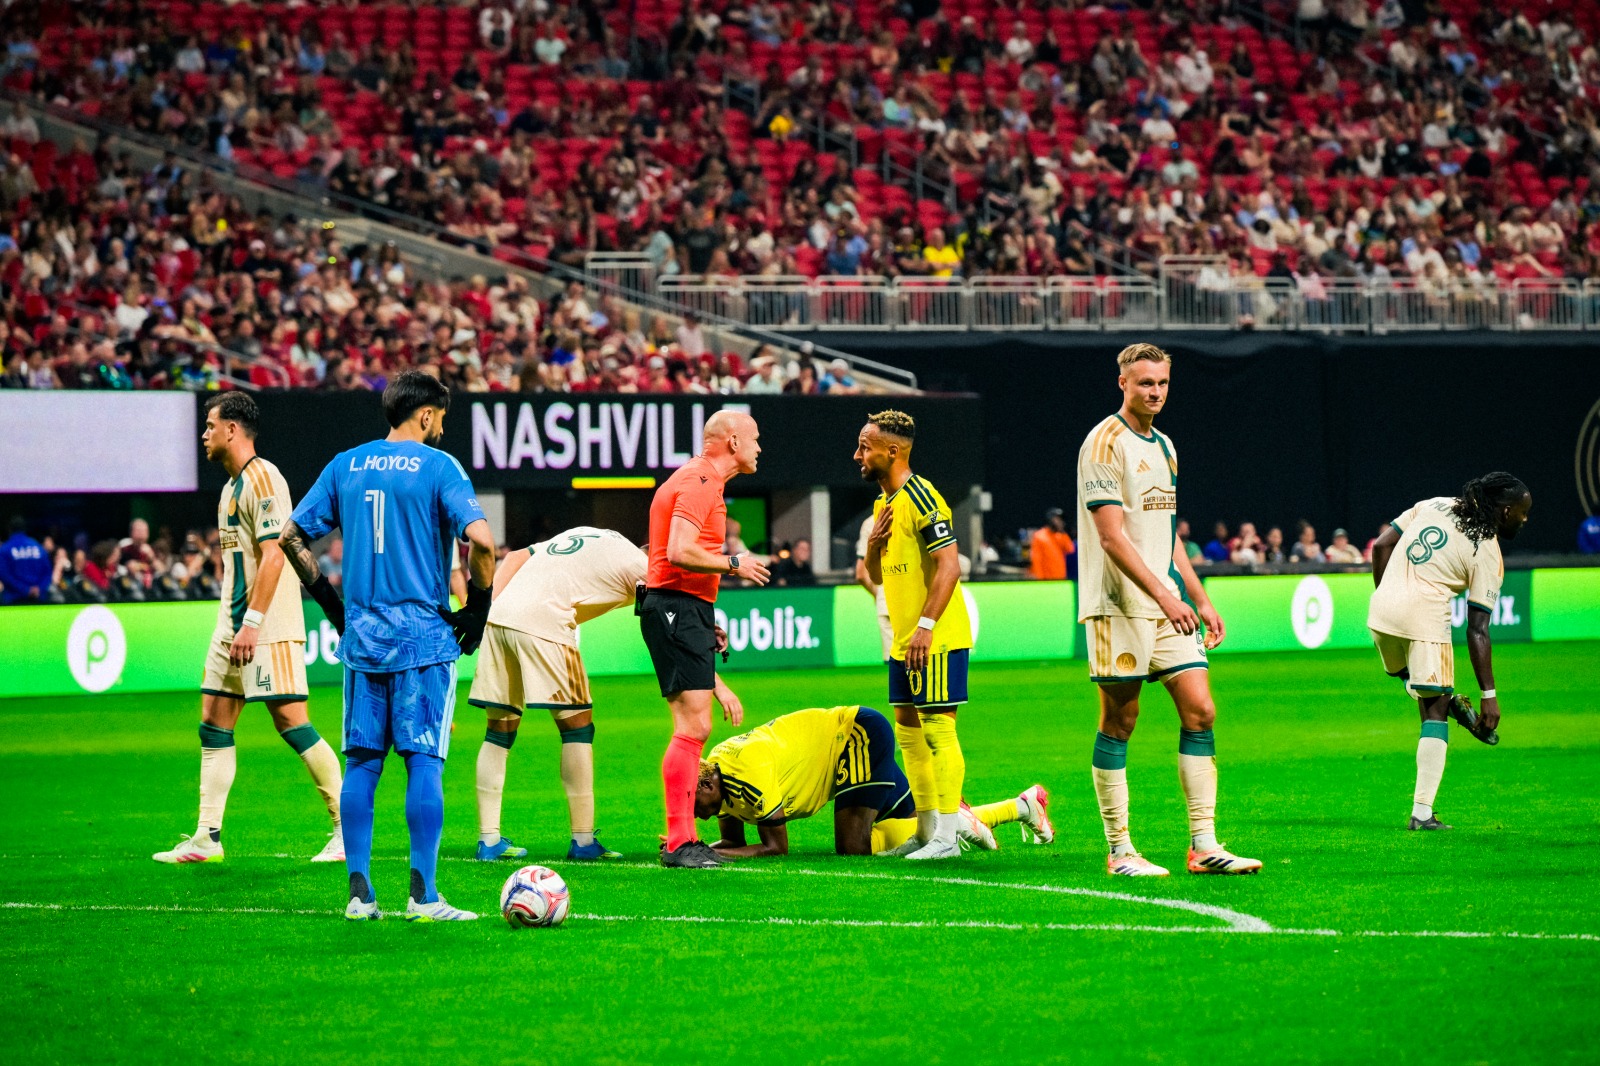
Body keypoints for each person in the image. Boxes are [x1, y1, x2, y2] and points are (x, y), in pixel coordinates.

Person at [281, 371, 497, 921]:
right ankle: (423, 897)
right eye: (441, 417)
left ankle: (360, 896)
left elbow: (290, 537)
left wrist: (333, 609)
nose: (442, 428)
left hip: (363, 638)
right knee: (423, 760)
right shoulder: (438, 467)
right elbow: (482, 540)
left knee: (362, 764)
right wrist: (478, 605)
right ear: (425, 414)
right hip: (423, 638)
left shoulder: (345, 463)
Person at [1076, 343, 1260, 877]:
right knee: (1121, 719)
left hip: (1168, 602)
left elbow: (1168, 533)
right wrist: (1165, 595)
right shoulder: (1104, 442)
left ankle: (1204, 845)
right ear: (1123, 384)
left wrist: (1198, 598)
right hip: (1119, 604)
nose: (1154, 392)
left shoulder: (1166, 446)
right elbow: (1111, 537)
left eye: (1161, 383)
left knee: (1201, 710)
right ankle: (1120, 852)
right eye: (1144, 384)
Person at [152, 393, 344, 866]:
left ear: (233, 430)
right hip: (231, 624)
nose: (204, 434)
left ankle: (346, 829)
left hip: (267, 626)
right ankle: (206, 838)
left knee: (291, 721)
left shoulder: (265, 478)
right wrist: (235, 624)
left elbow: (276, 553)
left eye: (210, 425)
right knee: (214, 722)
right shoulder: (229, 489)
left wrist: (254, 623)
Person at [467, 527, 652, 861]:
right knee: (578, 727)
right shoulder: (644, 568)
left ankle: (489, 840)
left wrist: (491, 609)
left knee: (499, 731)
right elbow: (663, 617)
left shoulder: (593, 534)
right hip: (547, 620)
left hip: (500, 618)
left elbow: (514, 556)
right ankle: (583, 842)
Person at [640, 410, 770, 868]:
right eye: (755, 439)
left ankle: (685, 837)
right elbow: (678, 549)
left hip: (679, 605)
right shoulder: (700, 482)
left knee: (693, 726)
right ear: (733, 441)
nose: (759, 448)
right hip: (675, 604)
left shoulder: (695, 480)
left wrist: (699, 613)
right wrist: (734, 563)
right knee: (692, 727)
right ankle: (679, 842)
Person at [1367, 474, 1530, 829]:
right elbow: (1478, 629)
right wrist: (1490, 695)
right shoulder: (1487, 549)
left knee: (1413, 680)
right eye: (1521, 513)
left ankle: (1440, 691)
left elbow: (1381, 546)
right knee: (1434, 711)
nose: (1524, 518)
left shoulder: (1435, 503)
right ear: (1504, 512)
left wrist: (1387, 595)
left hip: (1379, 612)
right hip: (1424, 618)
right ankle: (1422, 814)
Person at [697, 705, 1055, 856]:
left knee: (854, 848)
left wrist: (715, 859)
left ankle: (957, 821)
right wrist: (696, 851)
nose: (696, 816)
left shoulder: (746, 771)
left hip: (855, 738)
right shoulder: (717, 773)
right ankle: (1022, 806)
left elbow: (776, 849)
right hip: (843, 752)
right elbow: (731, 841)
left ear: (707, 785)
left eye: (692, 805)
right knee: (919, 823)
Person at [856, 409, 974, 861]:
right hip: (904, 639)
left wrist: (926, 626)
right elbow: (876, 576)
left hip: (936, 636)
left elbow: (950, 564)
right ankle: (926, 832)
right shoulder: (883, 506)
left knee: (939, 732)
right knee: (908, 735)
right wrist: (873, 544)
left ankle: (947, 837)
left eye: (865, 446)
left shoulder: (923, 496)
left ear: (892, 450)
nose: (858, 454)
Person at [855, 514, 894, 663]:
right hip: (915, 601)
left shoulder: (870, 522)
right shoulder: (916, 508)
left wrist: (878, 594)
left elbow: (861, 574)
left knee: (895, 664)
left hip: (886, 601)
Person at [0, 517, 50, 604]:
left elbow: (5, 575)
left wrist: (26, 590)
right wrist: (39, 588)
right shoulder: (38, 547)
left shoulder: (5, 549)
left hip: (14, 600)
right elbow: (47, 572)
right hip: (38, 599)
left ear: (10, 529)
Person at [1028, 508, 1076, 580]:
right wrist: (1039, 578)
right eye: (1057, 519)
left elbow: (1070, 549)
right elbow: (1036, 558)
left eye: (1060, 520)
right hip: (1046, 578)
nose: (1059, 522)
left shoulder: (1059, 536)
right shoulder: (1039, 535)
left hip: (1060, 576)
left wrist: (1062, 532)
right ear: (1050, 519)